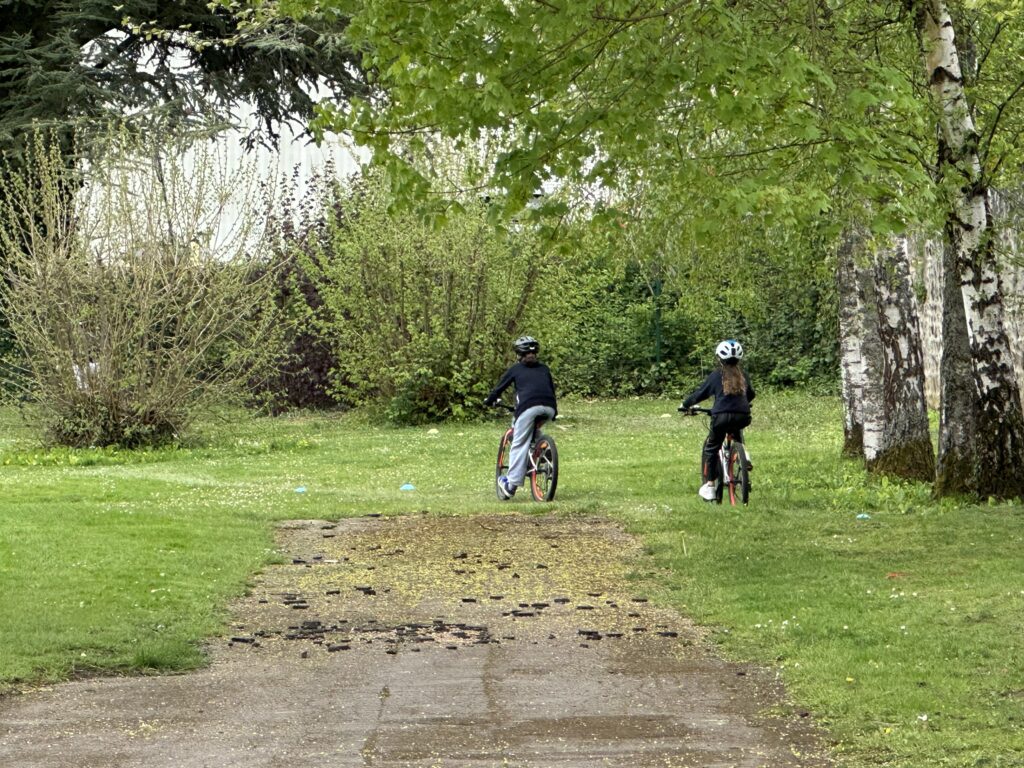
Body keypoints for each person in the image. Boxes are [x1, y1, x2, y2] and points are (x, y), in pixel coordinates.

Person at [678, 339, 755, 501]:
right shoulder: (744, 375)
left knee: (711, 448)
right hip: (743, 415)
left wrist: (685, 405)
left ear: (719, 358)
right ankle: (744, 455)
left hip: (720, 416)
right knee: (736, 432)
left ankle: (711, 487)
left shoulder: (715, 376)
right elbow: (751, 395)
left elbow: (700, 394)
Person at [484, 335, 558, 499]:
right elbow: (552, 390)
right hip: (549, 407)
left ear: (519, 354)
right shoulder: (544, 368)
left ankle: (510, 485)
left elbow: (499, 389)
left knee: (518, 442)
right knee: (533, 432)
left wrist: (489, 401)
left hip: (528, 407)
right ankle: (543, 452)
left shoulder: (516, 369)